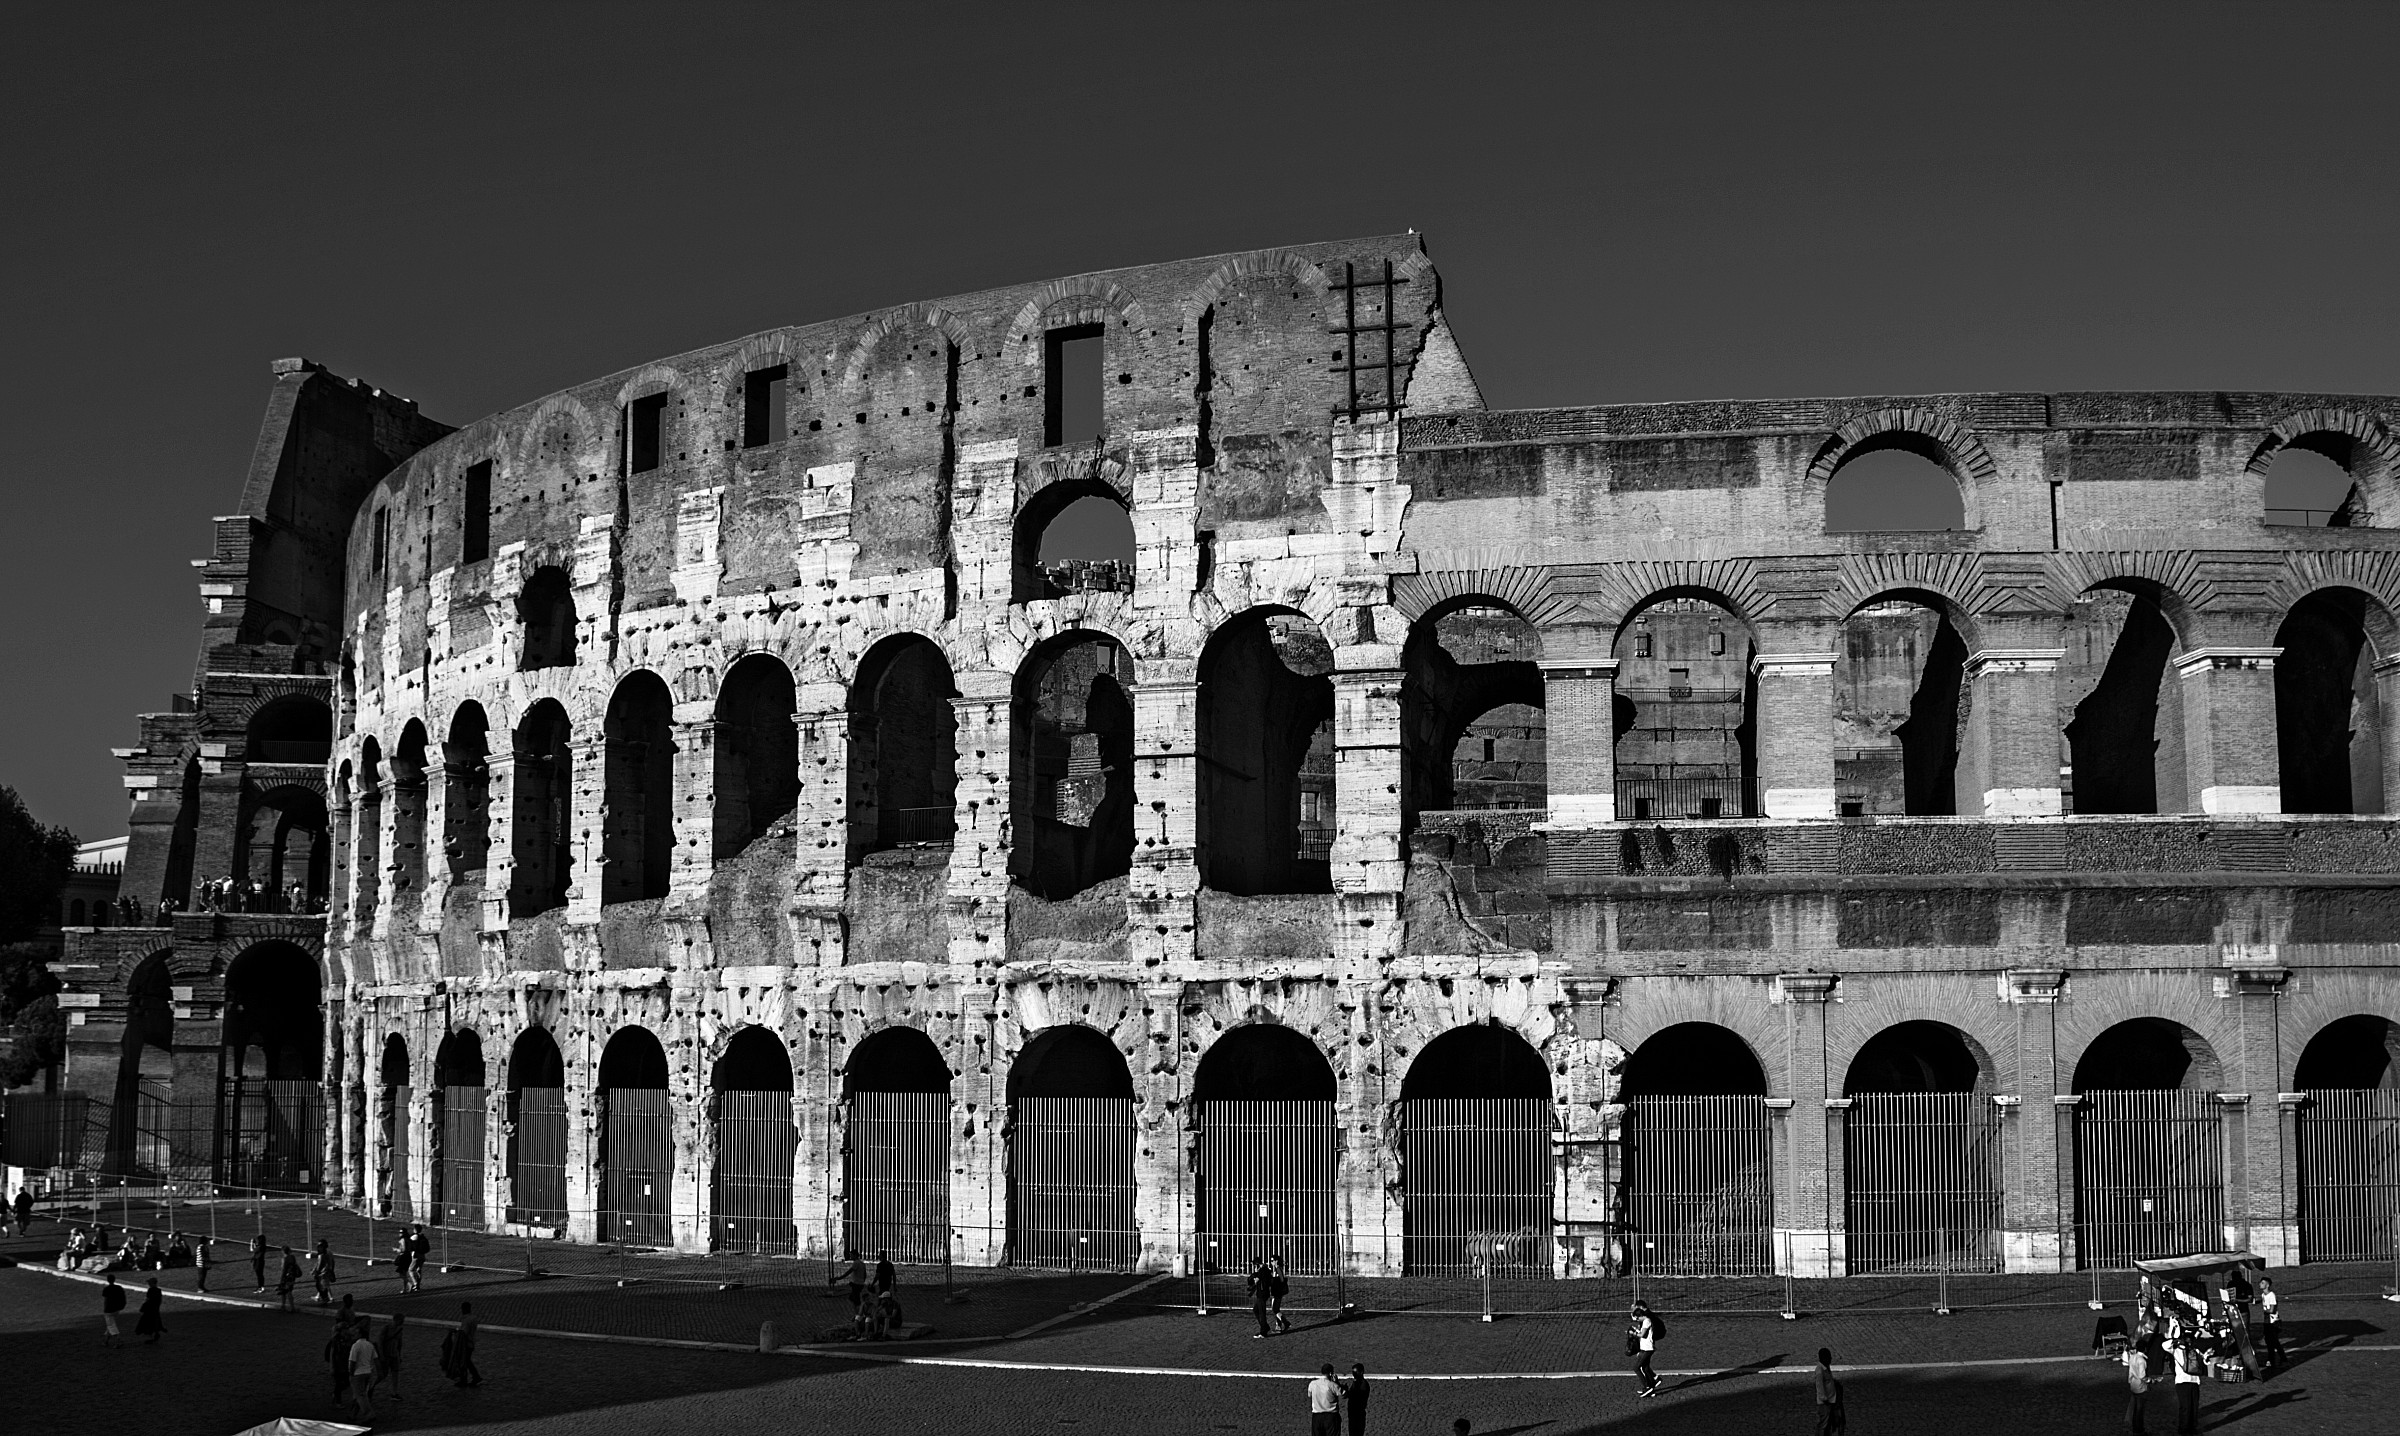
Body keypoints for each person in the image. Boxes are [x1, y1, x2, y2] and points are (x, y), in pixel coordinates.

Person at [2169, 1335, 2201, 1434]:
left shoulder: (2190, 1351)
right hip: (2186, 1382)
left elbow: (2204, 1359)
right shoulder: (2180, 1351)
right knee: (2187, 1407)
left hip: (2189, 1381)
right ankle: (2185, 1428)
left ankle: (2189, 1428)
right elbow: (2165, 1345)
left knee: (2191, 1407)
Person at [350, 1320, 380, 1420]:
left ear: (359, 1334)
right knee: (363, 1394)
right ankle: (353, 1415)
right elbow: (376, 1359)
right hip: (368, 1372)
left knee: (359, 1395)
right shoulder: (370, 1345)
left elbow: (352, 1361)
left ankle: (368, 1413)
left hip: (358, 1373)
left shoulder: (355, 1346)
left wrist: (351, 1373)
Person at [2123, 1331, 2153, 1433]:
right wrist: (2151, 1380)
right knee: (2140, 1410)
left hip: (2133, 1385)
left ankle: (2136, 1428)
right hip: (2141, 1387)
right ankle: (2139, 1429)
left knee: (2135, 1409)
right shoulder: (2142, 1360)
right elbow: (2142, 1376)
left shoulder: (2133, 1357)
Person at [376, 1311, 406, 1402]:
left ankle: (394, 1393)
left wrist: (399, 1355)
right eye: (401, 1320)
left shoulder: (400, 1330)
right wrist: (381, 1355)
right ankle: (371, 1387)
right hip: (386, 1355)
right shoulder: (386, 1328)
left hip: (394, 1355)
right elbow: (379, 1342)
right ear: (396, 1320)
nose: (402, 1322)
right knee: (383, 1375)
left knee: (395, 1374)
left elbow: (399, 1343)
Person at [2256, 1275, 2285, 1369]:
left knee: (2274, 1341)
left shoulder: (2271, 1295)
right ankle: (2272, 1360)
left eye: (2262, 1283)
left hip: (2273, 1321)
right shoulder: (2263, 1295)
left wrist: (2266, 1310)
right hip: (2267, 1320)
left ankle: (2280, 1359)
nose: (2260, 1284)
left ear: (2267, 1285)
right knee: (2269, 1341)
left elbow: (2272, 1310)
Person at [1814, 1348, 1845, 1434]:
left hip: (1830, 1400)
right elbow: (1819, 1385)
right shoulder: (1820, 1370)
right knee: (1823, 1424)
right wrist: (1824, 1398)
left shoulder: (1825, 1368)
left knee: (1828, 1425)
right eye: (1829, 1357)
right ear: (1824, 1358)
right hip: (1825, 1402)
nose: (1831, 1359)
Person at [1307, 1363, 1344, 1436]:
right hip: (1331, 1417)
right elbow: (1343, 1394)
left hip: (1316, 1417)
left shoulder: (1312, 1384)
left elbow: (1309, 1395)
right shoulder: (1332, 1385)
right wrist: (1337, 1382)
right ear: (1330, 1373)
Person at [836, 1248, 867, 1329]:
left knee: (855, 1301)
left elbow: (849, 1272)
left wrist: (839, 1278)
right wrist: (862, 1281)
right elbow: (865, 1274)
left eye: (851, 1255)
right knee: (854, 1299)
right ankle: (858, 1314)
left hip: (856, 1284)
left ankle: (858, 1315)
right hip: (859, 1284)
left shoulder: (856, 1263)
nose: (850, 1256)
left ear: (855, 1255)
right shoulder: (862, 1263)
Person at [454, 1300, 482, 1387]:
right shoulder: (473, 1318)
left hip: (465, 1344)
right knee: (467, 1361)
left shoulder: (466, 1320)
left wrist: (455, 1332)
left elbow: (464, 1333)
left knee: (464, 1362)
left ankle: (467, 1379)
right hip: (471, 1343)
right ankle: (473, 1377)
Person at [1247, 1255, 1274, 1339]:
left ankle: (1264, 1331)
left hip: (1262, 1293)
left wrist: (1255, 1274)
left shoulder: (1262, 1271)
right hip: (1263, 1293)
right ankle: (1265, 1326)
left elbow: (1256, 1280)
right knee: (1257, 1310)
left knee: (1261, 1312)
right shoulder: (1266, 1270)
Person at [1341, 1363, 1370, 1436]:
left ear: (1361, 1372)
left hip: (1358, 1414)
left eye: (1355, 1372)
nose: (1354, 1374)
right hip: (1353, 1414)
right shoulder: (1357, 1382)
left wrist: (1347, 1392)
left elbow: (1356, 1396)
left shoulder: (1363, 1384)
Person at [136, 1277, 165, 1344]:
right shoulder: (158, 1290)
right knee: (155, 1322)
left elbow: (147, 1300)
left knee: (147, 1323)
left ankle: (150, 1337)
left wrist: (143, 1307)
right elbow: (159, 1300)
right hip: (155, 1309)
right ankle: (156, 1333)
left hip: (149, 1309)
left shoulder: (150, 1290)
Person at [101, 1273, 126, 1347]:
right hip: (117, 1309)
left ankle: (118, 1341)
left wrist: (105, 1308)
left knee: (111, 1326)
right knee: (110, 1325)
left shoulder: (107, 1289)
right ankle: (106, 1341)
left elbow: (105, 1300)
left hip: (109, 1309)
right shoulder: (119, 1288)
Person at [1269, 1253, 1292, 1335]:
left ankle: (1285, 1322)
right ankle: (1278, 1326)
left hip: (1277, 1292)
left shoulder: (1278, 1269)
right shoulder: (1277, 1269)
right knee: (1276, 1309)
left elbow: (1281, 1280)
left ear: (1276, 1261)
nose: (1271, 1262)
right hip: (1277, 1292)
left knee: (1275, 1309)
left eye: (1272, 1261)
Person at [407, 1223, 432, 1292]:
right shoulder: (423, 1237)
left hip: (416, 1255)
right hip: (422, 1255)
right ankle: (418, 1285)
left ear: (415, 1230)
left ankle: (415, 1284)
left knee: (411, 1270)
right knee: (419, 1270)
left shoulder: (414, 1237)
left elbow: (409, 1245)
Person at [277, 1244, 302, 1312]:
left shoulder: (284, 1259)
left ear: (283, 1251)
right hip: (292, 1276)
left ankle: (285, 1306)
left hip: (286, 1277)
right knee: (288, 1291)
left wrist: (281, 1279)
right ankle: (290, 1307)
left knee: (285, 1291)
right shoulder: (292, 1257)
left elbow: (284, 1270)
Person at [312, 1239, 336, 1305]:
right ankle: (318, 1296)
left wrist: (315, 1271)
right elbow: (332, 1261)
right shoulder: (329, 1252)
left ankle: (330, 1298)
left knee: (325, 1285)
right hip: (328, 1270)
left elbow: (319, 1264)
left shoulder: (322, 1254)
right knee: (323, 1284)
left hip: (324, 1272)